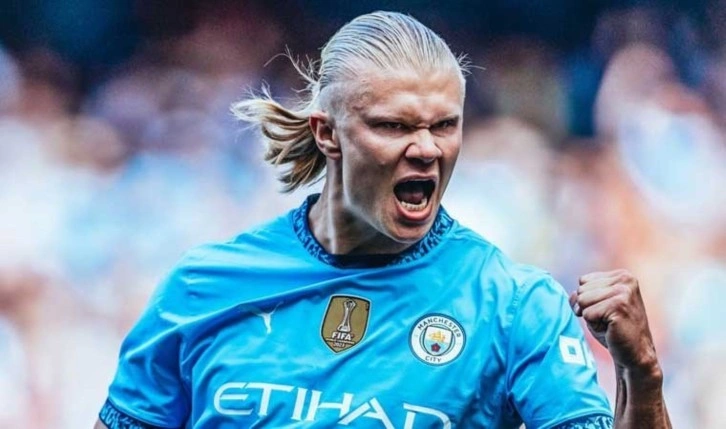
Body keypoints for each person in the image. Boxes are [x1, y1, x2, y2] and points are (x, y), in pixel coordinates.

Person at [95, 11, 671, 429]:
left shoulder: (513, 305)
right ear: (327, 133)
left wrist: (641, 375)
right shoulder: (203, 287)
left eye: (444, 125)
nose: (426, 148)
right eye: (394, 126)